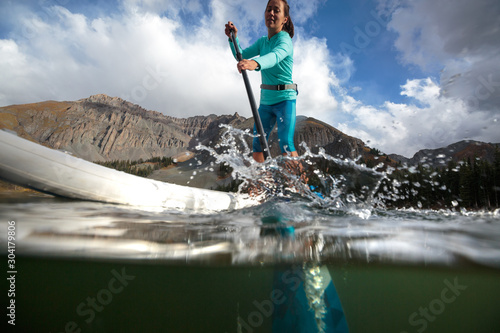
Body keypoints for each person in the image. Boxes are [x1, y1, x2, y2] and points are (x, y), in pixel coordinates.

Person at [225, 0, 298, 163]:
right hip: (266, 101)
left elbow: (275, 56)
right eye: (268, 9)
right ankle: (260, 185)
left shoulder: (285, 40)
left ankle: (300, 187)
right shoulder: (262, 42)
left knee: (286, 143)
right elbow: (241, 55)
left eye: (276, 10)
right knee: (258, 144)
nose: (271, 13)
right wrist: (233, 39)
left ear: (285, 18)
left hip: (285, 99)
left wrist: (256, 63)